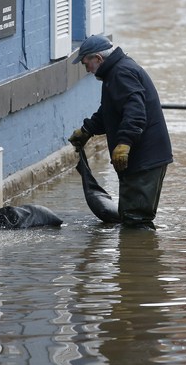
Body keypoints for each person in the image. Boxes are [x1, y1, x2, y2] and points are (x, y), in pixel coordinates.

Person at [68, 35, 173, 229]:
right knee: (131, 215)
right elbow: (109, 111)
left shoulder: (121, 73)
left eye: (86, 64)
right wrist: (87, 130)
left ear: (98, 58)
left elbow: (135, 112)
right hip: (145, 157)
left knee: (136, 219)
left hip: (144, 159)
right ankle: (137, 255)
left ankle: (138, 256)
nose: (87, 70)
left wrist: (124, 143)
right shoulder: (115, 72)